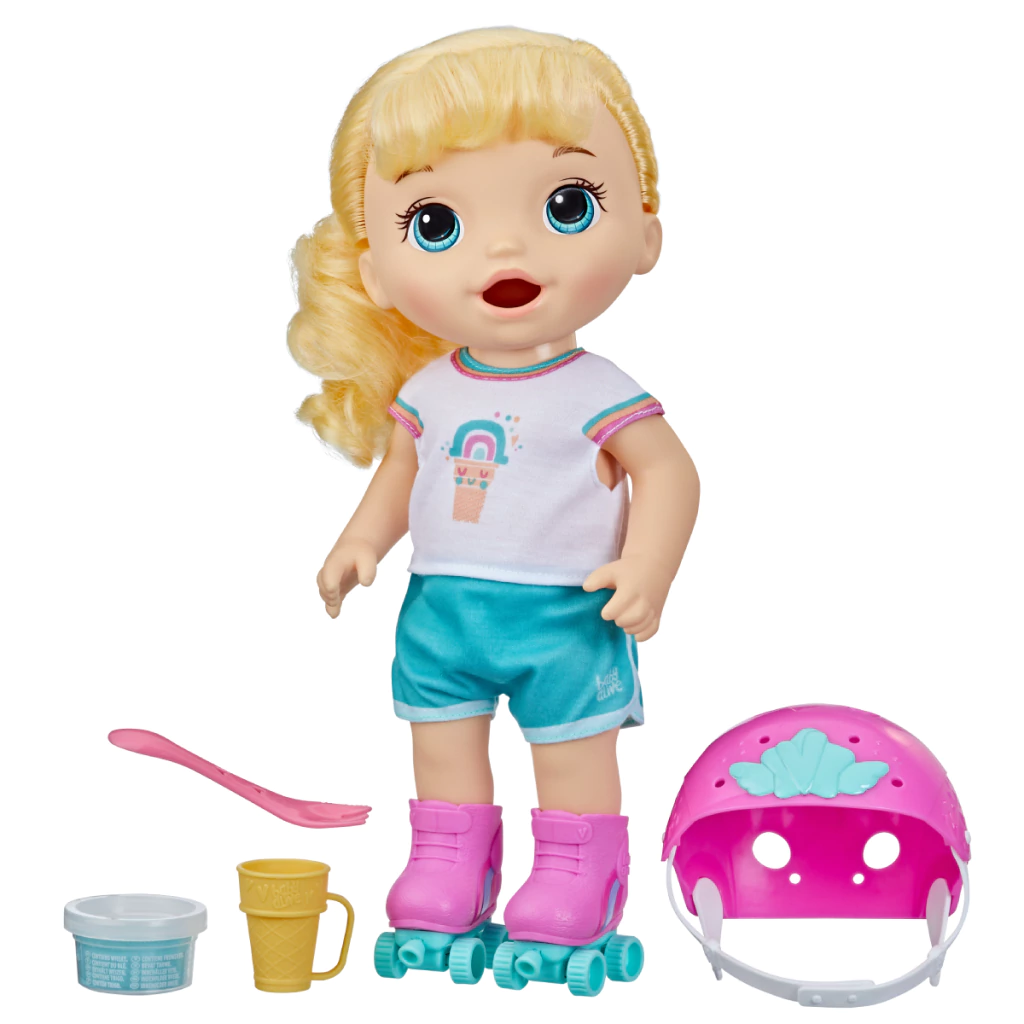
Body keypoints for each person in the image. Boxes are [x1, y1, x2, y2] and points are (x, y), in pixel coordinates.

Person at [288, 26, 700, 987]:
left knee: (570, 754)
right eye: (436, 222)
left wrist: (648, 567)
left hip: (567, 613)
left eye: (566, 205)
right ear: (375, 269)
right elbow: (399, 475)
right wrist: (359, 543)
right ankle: (447, 866)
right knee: (442, 746)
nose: (507, 248)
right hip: (442, 608)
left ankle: (577, 877)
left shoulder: (597, 388)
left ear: (644, 230)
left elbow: (671, 474)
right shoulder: (428, 389)